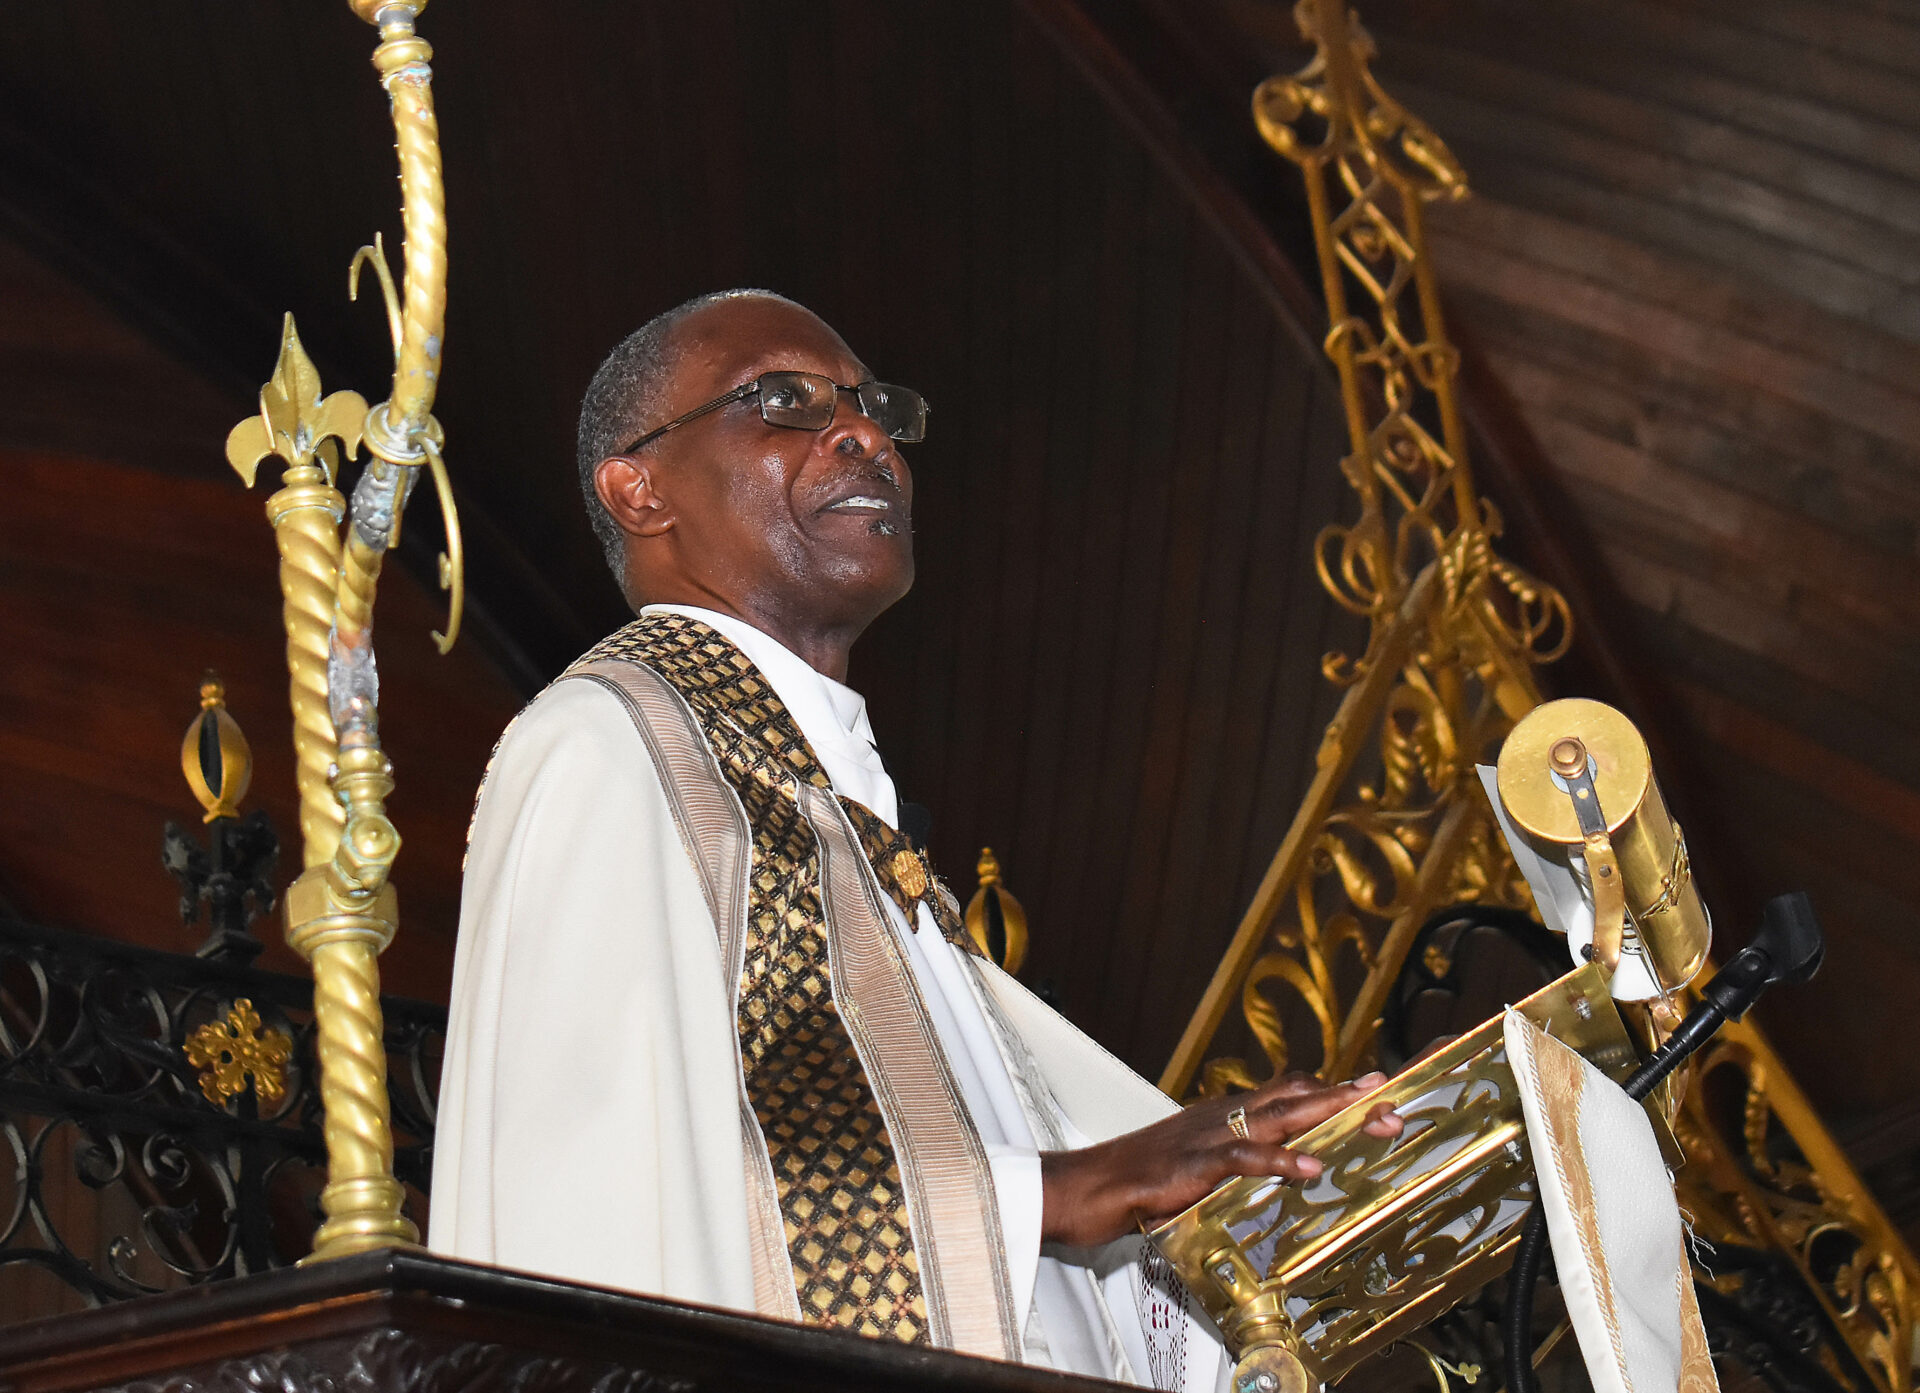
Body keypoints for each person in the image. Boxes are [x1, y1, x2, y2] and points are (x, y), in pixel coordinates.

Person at [429, 290, 1402, 1388]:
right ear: (638, 487)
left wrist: (1259, 1174)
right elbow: (603, 1201)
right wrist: (1071, 1190)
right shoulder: (608, 741)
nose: (864, 434)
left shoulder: (836, 813)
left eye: (873, 406)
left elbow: (1050, 1171)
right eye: (784, 400)